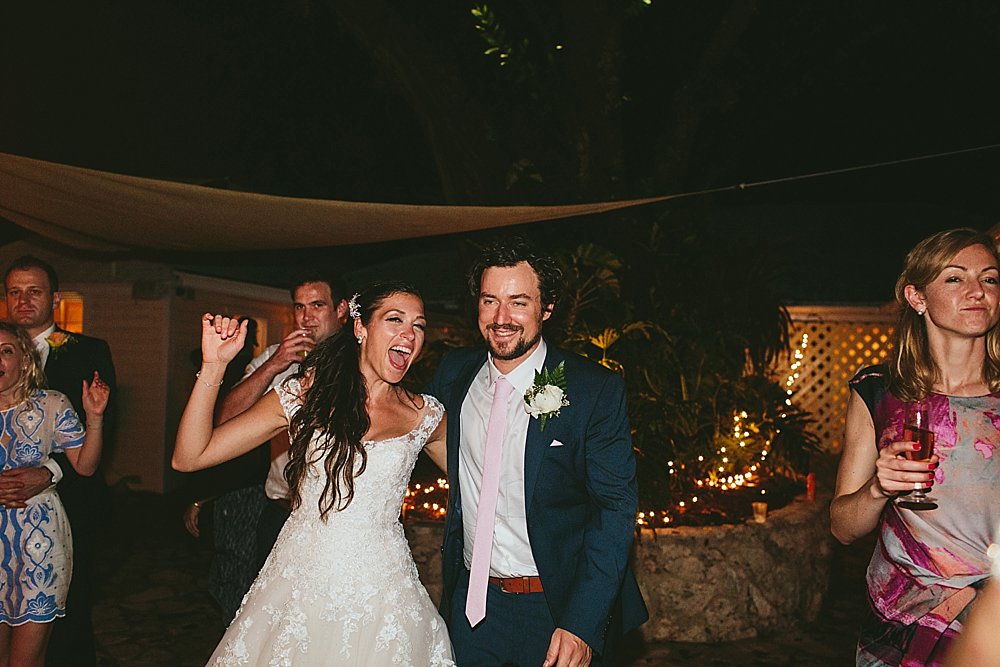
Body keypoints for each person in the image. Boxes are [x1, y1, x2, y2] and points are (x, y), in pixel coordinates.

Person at [172, 281, 453, 666]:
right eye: (395, 319)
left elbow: (484, 482)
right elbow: (190, 456)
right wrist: (214, 366)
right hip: (300, 586)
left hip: (384, 596)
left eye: (418, 325)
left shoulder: (425, 416)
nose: (409, 334)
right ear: (360, 328)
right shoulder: (305, 395)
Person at [426, 237, 647, 666]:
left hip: (554, 610)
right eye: (490, 301)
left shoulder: (592, 390)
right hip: (469, 606)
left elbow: (615, 509)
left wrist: (581, 622)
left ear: (547, 309)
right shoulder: (455, 374)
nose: (501, 318)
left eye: (518, 302)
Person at [830, 228, 1000, 666]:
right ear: (917, 297)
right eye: (955, 278)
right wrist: (876, 489)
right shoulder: (879, 391)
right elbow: (842, 528)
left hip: (990, 624)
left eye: (991, 278)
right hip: (900, 621)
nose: (977, 291)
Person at [2, 255, 116, 667]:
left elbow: (101, 433)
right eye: (14, 292)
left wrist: (48, 472)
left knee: (69, 620)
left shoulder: (88, 350)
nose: (23, 300)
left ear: (53, 297)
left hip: (66, 508)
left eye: (34, 291)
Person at [211, 272, 348, 566]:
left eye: (317, 305)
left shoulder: (359, 364)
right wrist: (274, 365)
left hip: (335, 517)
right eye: (299, 307)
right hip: (279, 508)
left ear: (341, 309)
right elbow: (224, 417)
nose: (306, 317)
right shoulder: (277, 357)